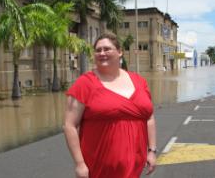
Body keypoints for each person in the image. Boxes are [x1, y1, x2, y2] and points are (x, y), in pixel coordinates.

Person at [64, 33, 156, 178]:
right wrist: (80, 164)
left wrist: (151, 150)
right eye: (98, 50)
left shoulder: (139, 81)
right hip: (100, 166)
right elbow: (69, 125)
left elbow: (149, 117)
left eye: (107, 49)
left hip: (135, 164)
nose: (102, 53)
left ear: (120, 52)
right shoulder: (85, 83)